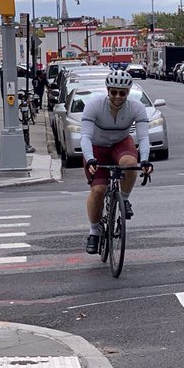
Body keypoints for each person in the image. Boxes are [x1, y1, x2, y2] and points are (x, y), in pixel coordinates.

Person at [80, 70, 153, 254]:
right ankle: (94, 232)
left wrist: (145, 160)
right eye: (114, 92)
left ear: (128, 93)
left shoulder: (136, 107)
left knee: (130, 162)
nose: (118, 97)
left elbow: (143, 138)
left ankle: (125, 199)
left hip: (120, 143)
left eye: (122, 93)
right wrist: (90, 158)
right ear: (108, 90)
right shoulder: (94, 105)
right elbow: (85, 137)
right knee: (98, 191)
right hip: (97, 147)